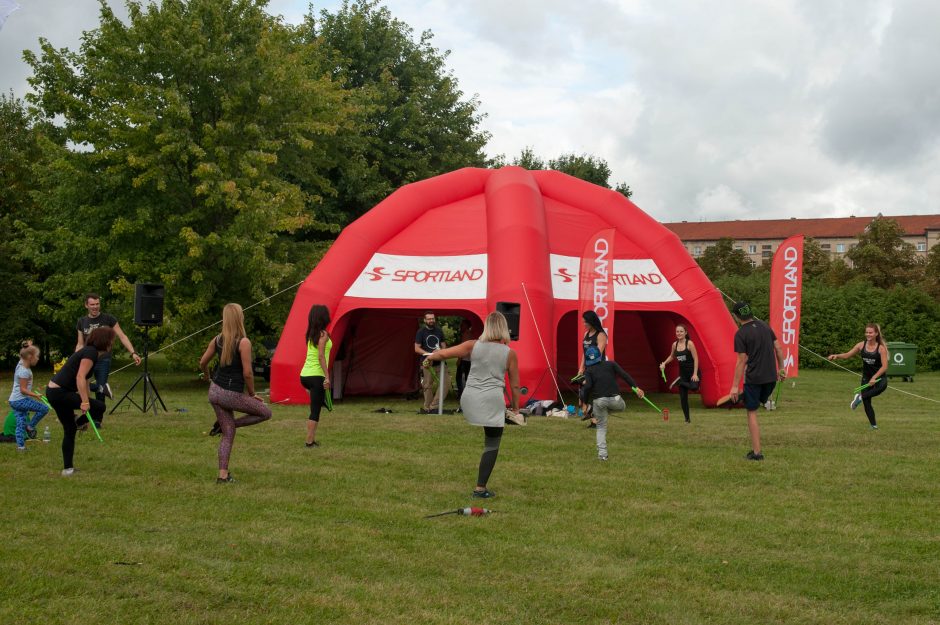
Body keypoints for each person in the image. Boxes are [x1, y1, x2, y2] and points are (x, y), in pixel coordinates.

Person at [424, 311, 522, 498]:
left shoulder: (472, 345)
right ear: (503, 329)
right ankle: (480, 488)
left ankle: (481, 486)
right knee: (492, 444)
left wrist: (430, 358)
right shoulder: (509, 353)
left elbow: (444, 353)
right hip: (492, 401)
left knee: (489, 433)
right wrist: (516, 408)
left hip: (469, 399)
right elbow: (515, 385)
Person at [199, 303, 272, 483]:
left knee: (228, 433)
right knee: (265, 412)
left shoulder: (217, 340)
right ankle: (227, 425)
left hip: (214, 391)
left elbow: (202, 362)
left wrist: (207, 376)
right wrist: (252, 393)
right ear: (239, 319)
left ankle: (222, 475)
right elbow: (248, 373)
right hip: (229, 394)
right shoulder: (243, 342)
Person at [46, 326, 114, 476]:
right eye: (111, 340)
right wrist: (85, 402)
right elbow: (80, 377)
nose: (112, 343)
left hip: (55, 392)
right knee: (100, 406)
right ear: (104, 341)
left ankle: (68, 469)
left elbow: (86, 382)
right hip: (59, 392)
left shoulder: (92, 354)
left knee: (69, 430)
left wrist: (86, 399)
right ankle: (79, 423)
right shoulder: (90, 352)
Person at [728, 301, 786, 461]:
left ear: (736, 316)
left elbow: (741, 361)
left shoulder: (741, 334)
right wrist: (782, 368)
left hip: (754, 378)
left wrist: (734, 386)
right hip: (771, 378)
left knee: (751, 412)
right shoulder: (765, 326)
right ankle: (746, 396)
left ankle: (757, 453)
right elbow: (779, 348)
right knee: (757, 400)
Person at [580, 346, 644, 461]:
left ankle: (602, 456)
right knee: (622, 407)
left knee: (601, 427)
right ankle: (595, 411)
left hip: (598, 402)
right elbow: (624, 375)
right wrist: (636, 388)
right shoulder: (611, 364)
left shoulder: (588, 371)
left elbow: (588, 387)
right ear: (600, 356)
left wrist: (584, 403)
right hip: (616, 401)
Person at [75, 293, 142, 401]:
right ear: (86, 305)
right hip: (87, 359)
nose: (95, 307)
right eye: (92, 304)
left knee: (100, 390)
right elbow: (80, 344)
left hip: (103, 360)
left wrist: (133, 353)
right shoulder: (81, 322)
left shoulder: (108, 319)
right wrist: (75, 358)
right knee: (79, 382)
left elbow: (122, 336)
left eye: (97, 304)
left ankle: (98, 416)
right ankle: (101, 390)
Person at [827, 323, 889, 429]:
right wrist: (836, 356)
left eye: (870, 332)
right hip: (866, 377)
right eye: (867, 332)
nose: (868, 334)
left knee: (881, 388)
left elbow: (884, 367)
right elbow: (847, 355)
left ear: (876, 334)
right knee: (867, 402)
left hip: (879, 377)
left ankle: (859, 397)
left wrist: (874, 377)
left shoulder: (881, 348)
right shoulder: (861, 345)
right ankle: (873, 425)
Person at [300, 304, 332, 447]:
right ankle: (309, 441)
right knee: (315, 411)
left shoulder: (311, 333)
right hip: (315, 376)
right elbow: (320, 356)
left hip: (305, 376)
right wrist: (327, 376)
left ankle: (320, 399)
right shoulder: (323, 334)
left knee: (316, 404)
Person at [8, 342, 49, 451]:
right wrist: (36, 395)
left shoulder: (20, 364)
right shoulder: (24, 371)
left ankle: (21, 447)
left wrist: (28, 346)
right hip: (20, 400)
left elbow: (23, 354)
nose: (38, 359)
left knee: (20, 422)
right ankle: (30, 426)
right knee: (44, 408)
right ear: (30, 357)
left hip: (13, 401)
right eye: (37, 356)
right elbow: (23, 390)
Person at [659, 324, 700, 423]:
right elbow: (672, 356)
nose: (679, 333)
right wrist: (664, 363)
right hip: (683, 374)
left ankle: (679, 382)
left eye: (681, 331)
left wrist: (695, 374)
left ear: (685, 333)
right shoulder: (674, 345)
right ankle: (687, 419)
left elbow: (696, 358)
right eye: (677, 331)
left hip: (692, 372)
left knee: (694, 388)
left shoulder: (689, 343)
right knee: (683, 398)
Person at [576, 310, 608, 428]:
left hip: (598, 368)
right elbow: (585, 354)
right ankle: (590, 415)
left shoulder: (601, 335)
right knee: (582, 398)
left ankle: (593, 418)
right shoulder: (586, 334)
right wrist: (581, 368)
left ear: (592, 321)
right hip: (587, 369)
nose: (584, 324)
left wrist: (590, 369)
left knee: (590, 393)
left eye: (586, 322)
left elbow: (597, 354)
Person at [414, 311, 450, 413]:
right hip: (427, 363)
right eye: (429, 319)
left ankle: (434, 406)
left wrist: (441, 351)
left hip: (440, 362)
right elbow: (416, 348)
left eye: (433, 318)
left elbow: (443, 345)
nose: (431, 320)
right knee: (427, 386)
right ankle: (428, 407)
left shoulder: (439, 331)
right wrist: (430, 355)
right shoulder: (421, 332)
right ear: (425, 320)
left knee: (446, 383)